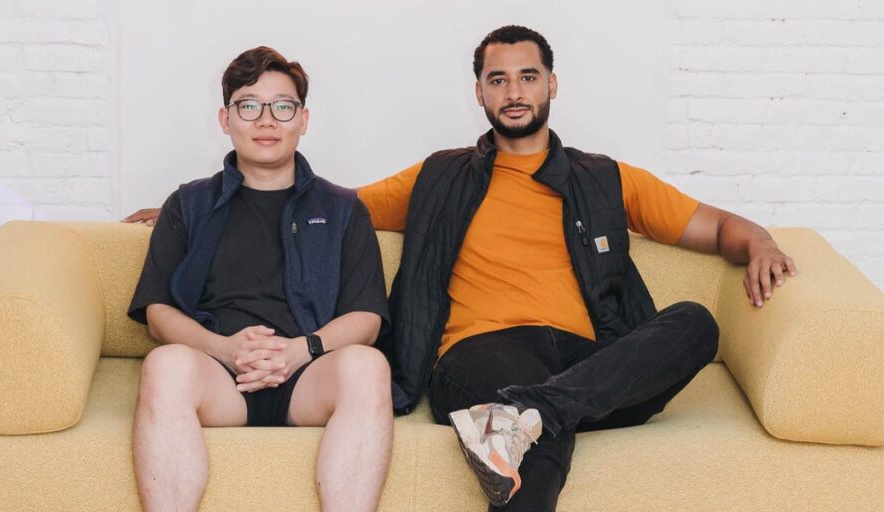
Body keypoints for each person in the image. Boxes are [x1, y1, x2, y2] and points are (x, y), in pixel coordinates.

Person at [125, 27, 797, 512]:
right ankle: (529, 413)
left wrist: (760, 241)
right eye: (498, 79)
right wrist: (195, 206)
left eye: (527, 76)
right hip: (480, 354)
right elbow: (317, 201)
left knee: (694, 323)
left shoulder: (607, 178)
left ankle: (531, 413)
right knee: (522, 412)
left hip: (587, 357)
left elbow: (717, 227)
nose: (514, 91)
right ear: (479, 91)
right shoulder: (440, 176)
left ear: (552, 84)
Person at [126, 46, 393, 512]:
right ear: (225, 119)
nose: (266, 120)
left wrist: (299, 350)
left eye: (282, 107)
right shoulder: (188, 204)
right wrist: (224, 349)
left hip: (309, 377)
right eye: (248, 106)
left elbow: (367, 318)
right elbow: (158, 312)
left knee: (367, 366)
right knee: (165, 364)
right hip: (220, 377)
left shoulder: (341, 208)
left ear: (303, 119)